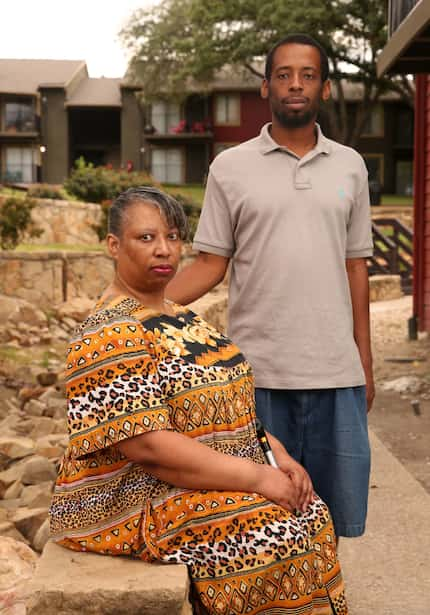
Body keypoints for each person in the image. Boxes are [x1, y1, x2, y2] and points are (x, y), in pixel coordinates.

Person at [50, 186, 348, 615]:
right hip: (131, 499)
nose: (164, 249)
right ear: (114, 245)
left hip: (191, 479)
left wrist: (278, 457)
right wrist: (257, 479)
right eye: (146, 238)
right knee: (268, 527)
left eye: (172, 237)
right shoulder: (108, 330)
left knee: (311, 511)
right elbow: (146, 446)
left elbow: (234, 402)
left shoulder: (181, 315)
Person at [167, 34, 374, 540]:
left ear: (324, 87)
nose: (295, 84)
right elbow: (209, 265)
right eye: (284, 74)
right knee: (257, 522)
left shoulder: (350, 166)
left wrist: (365, 362)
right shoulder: (230, 168)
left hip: (335, 376)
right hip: (256, 378)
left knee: (329, 523)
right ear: (266, 86)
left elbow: (356, 268)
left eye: (307, 75)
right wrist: (132, 306)